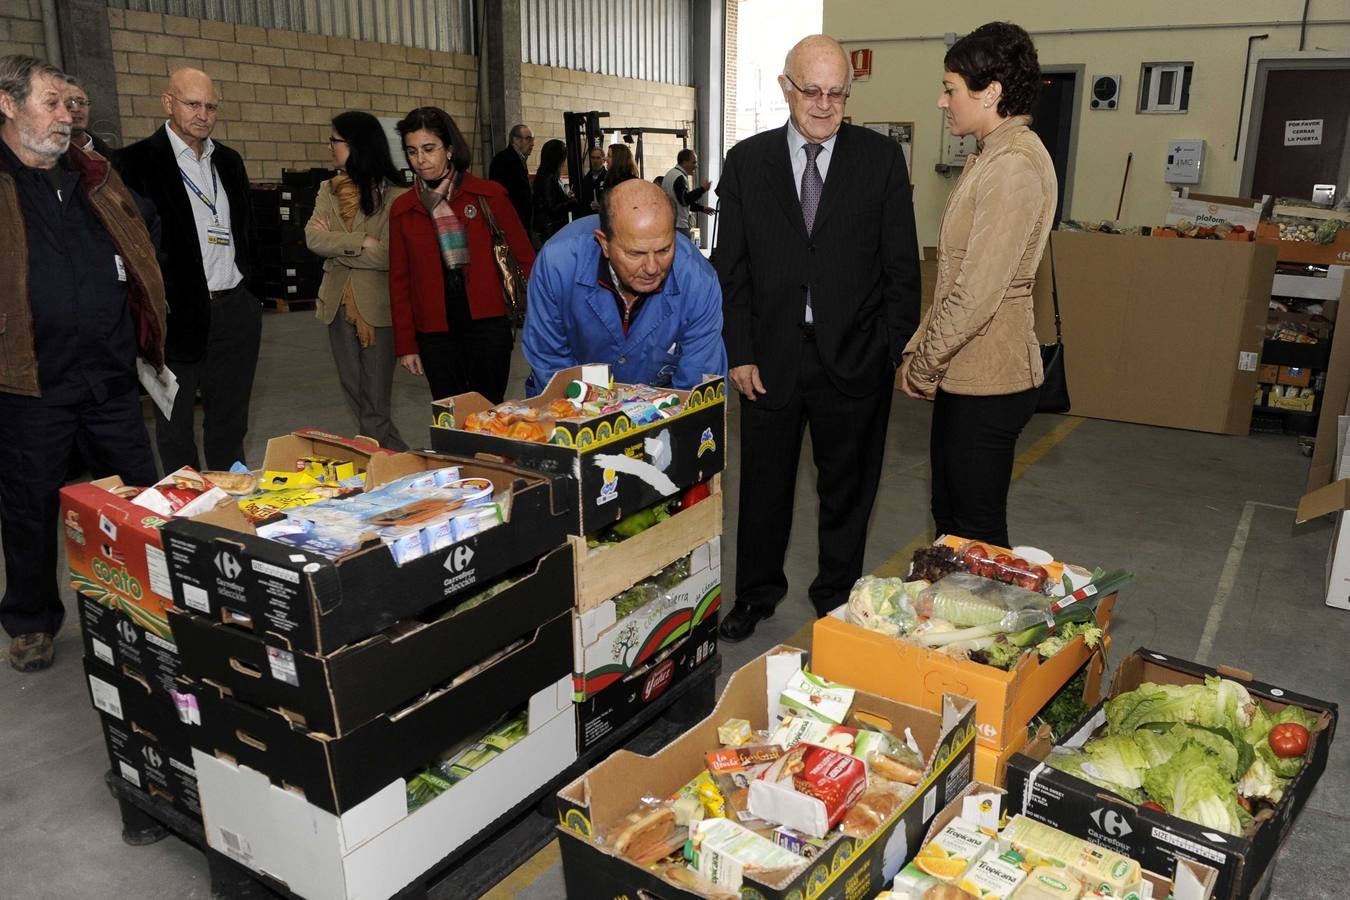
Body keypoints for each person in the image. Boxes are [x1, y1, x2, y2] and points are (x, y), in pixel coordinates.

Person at [715, 34, 921, 643]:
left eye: (837, 93)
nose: (825, 104)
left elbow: (902, 269)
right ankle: (755, 595)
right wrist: (740, 350)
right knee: (763, 491)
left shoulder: (880, 161)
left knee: (848, 492)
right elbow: (733, 269)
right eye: (813, 90)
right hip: (770, 361)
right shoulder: (748, 163)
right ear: (786, 88)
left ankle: (837, 598)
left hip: (855, 360)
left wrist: (891, 347)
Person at [0, 55, 166, 672]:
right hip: (30, 380)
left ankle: (143, 601)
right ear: (8, 104)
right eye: (50, 103)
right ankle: (31, 620)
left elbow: (143, 228)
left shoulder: (92, 173)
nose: (65, 116)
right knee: (29, 503)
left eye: (68, 105)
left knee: (135, 494)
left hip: (108, 376)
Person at [900, 22, 1056, 548]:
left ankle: (991, 626)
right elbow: (953, 279)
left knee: (976, 532)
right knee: (952, 521)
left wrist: (924, 363)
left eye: (950, 89)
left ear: (990, 92)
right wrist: (921, 349)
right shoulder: (992, 156)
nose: (943, 102)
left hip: (991, 378)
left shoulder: (1012, 166)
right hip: (967, 374)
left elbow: (976, 293)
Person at [115, 67, 259, 473]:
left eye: (211, 106)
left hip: (234, 311)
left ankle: (231, 507)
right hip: (174, 316)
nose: (203, 114)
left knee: (230, 424)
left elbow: (245, 232)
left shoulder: (228, 162)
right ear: (168, 103)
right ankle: (188, 512)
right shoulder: (136, 162)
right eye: (192, 103)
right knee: (175, 427)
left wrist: (251, 293)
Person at [522, 178, 727, 394]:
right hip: (572, 401)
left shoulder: (698, 280)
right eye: (635, 253)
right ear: (604, 243)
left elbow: (698, 387)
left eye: (664, 250)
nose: (651, 267)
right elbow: (550, 363)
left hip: (661, 410)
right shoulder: (557, 265)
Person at [389, 106, 536, 404]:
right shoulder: (403, 209)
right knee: (449, 417)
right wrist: (407, 345)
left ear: (451, 149)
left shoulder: (488, 196)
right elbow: (399, 282)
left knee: (488, 413)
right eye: (412, 151)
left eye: (429, 149)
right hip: (434, 333)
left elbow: (526, 260)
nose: (420, 159)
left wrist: (542, 320)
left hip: (488, 326)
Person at [305, 111, 409, 450]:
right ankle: (395, 463)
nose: (330, 146)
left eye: (335, 140)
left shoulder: (395, 196)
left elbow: (390, 256)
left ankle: (394, 466)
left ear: (357, 144)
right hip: (336, 305)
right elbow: (312, 239)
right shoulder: (327, 189)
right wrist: (359, 241)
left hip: (377, 311)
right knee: (357, 396)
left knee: (375, 404)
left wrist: (336, 244)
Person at [488, 122, 534, 240]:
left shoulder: (519, 159)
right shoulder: (503, 160)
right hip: (510, 224)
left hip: (520, 223)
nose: (532, 144)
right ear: (516, 140)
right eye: (528, 139)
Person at [662, 148, 712, 239]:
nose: (696, 166)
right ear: (684, 162)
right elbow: (685, 200)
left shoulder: (671, 174)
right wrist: (702, 189)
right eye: (694, 162)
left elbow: (682, 202)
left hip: (670, 223)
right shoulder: (679, 177)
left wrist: (702, 208)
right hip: (679, 225)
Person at [532, 137, 573, 242]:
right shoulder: (548, 177)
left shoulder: (547, 175)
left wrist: (566, 198)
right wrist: (571, 202)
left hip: (549, 228)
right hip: (551, 229)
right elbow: (551, 208)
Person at [62, 75, 113, 157]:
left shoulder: (107, 156)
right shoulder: (44, 160)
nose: (76, 109)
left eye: (81, 103)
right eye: (68, 104)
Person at [577, 144, 607, 212]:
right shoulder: (586, 178)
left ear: (603, 160)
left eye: (598, 158)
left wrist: (601, 207)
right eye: (593, 158)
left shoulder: (608, 177)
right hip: (588, 216)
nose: (595, 161)